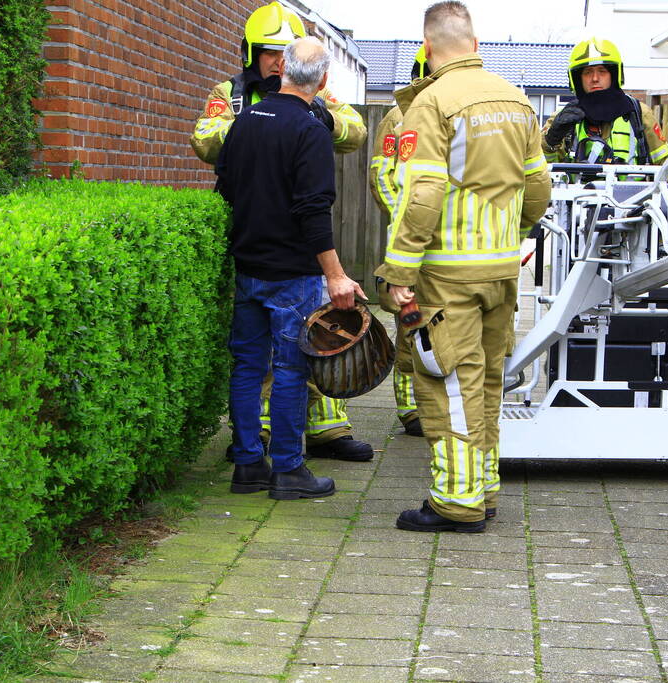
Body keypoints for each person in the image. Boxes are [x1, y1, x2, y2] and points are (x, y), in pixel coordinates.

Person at [375, 1, 551, 533]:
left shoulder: (430, 103)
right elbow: (539, 189)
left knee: (449, 382)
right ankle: (484, 489)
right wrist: (510, 237)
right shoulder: (518, 100)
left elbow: (424, 193)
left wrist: (399, 271)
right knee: (488, 381)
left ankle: (455, 501)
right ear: (475, 45)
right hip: (500, 271)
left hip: (447, 273)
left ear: (427, 50)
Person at [190, 1, 374, 463]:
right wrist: (259, 126)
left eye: (283, 52)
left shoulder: (315, 99)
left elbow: (354, 129)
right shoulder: (230, 94)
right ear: (252, 53)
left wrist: (316, 117)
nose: (277, 62)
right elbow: (204, 140)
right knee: (279, 355)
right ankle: (270, 450)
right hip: (266, 242)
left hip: (302, 242)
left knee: (312, 340)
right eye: (269, 53)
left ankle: (323, 430)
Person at [367, 45, 428, 439]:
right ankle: (410, 408)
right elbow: (382, 177)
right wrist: (410, 218)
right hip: (410, 241)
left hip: (454, 243)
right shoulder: (397, 118)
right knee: (410, 321)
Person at [542, 37, 668, 166]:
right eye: (587, 72)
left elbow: (666, 164)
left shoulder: (639, 114)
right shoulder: (563, 118)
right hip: (577, 186)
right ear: (577, 79)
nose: (595, 78)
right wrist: (551, 140)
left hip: (632, 187)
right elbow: (538, 169)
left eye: (602, 71)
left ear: (614, 75)